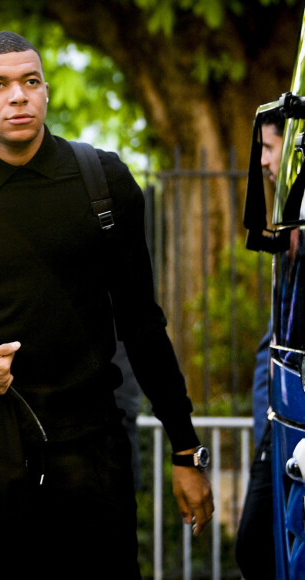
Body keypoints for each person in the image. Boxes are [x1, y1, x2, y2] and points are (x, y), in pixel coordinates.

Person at [0, 31, 213, 579]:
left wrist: (185, 450)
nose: (18, 96)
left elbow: (143, 325)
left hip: (93, 452)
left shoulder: (104, 183)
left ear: (46, 91)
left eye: (30, 81)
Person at [235, 107, 285, 579]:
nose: (264, 162)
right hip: (275, 428)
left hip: (287, 431)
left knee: (256, 548)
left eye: (269, 148)